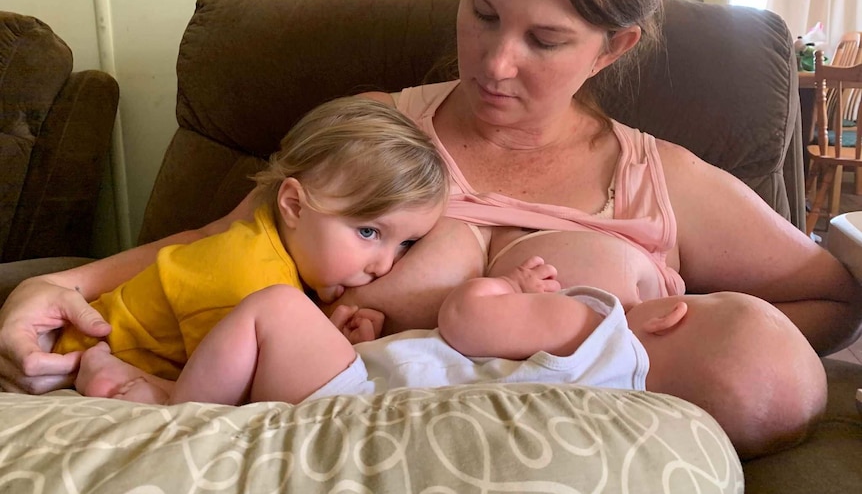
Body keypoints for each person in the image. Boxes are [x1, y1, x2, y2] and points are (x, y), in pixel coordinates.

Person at [1, 0, 859, 455]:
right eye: (482, 10)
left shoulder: (661, 180)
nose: (494, 61)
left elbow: (833, 297)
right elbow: (219, 242)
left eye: (546, 38)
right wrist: (57, 284)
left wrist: (681, 366)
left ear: (614, 47)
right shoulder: (378, 131)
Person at [78, 255, 825, 461]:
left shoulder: (601, 331)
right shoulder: (623, 408)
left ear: (673, 312)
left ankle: (178, 411)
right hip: (371, 417)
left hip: (353, 395)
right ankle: (167, 385)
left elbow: (466, 321)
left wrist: (510, 286)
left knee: (274, 308)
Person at [50, 95, 448, 394]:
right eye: (368, 232)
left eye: (406, 243)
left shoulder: (272, 246)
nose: (384, 265)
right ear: (293, 205)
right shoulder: (245, 273)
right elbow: (216, 396)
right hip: (78, 359)